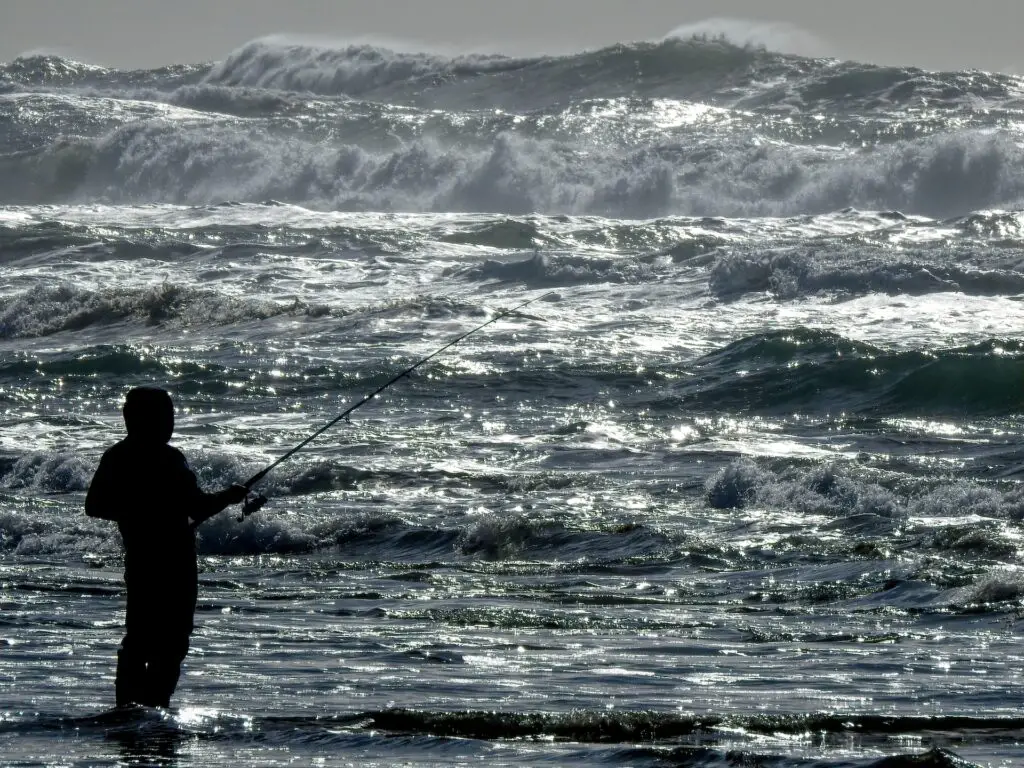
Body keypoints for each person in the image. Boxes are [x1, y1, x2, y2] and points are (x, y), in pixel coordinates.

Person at [85, 386, 247, 709]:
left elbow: (94, 504)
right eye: (167, 415)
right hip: (173, 564)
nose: (171, 422)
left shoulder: (118, 456)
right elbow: (198, 507)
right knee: (168, 641)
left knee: (143, 637)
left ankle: (133, 708)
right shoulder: (169, 460)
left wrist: (133, 511)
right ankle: (149, 707)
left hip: (144, 560)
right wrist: (228, 496)